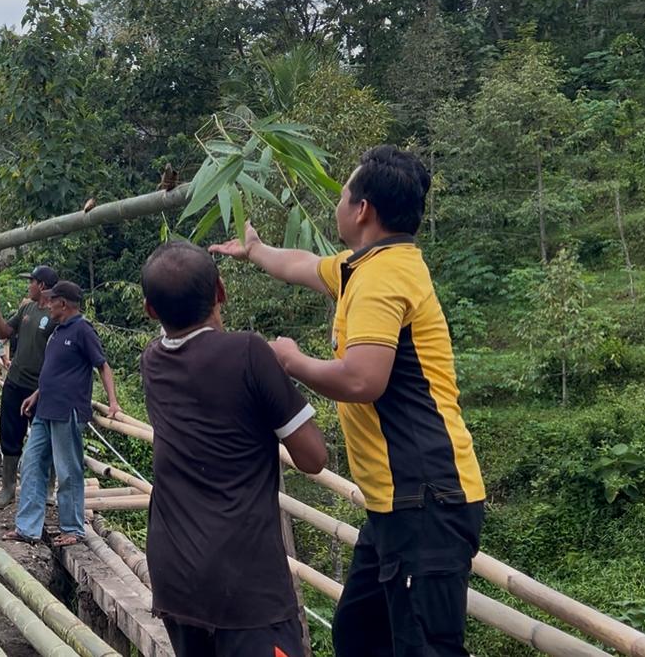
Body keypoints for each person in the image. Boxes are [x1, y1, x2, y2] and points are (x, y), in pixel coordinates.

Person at [211, 145, 486, 657]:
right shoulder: (371, 264)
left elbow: (363, 380)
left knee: (422, 647)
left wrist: (290, 361)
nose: (337, 205)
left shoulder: (383, 278)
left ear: (363, 210)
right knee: (359, 633)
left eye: (342, 195)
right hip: (395, 504)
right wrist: (255, 250)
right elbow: (303, 264)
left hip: (425, 498)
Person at [139, 240, 328, 657]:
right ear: (221, 292)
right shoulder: (248, 352)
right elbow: (313, 457)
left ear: (151, 310)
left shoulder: (151, 361)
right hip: (246, 585)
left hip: (175, 577)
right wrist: (288, 362)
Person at [5, 280, 122, 547]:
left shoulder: (82, 329)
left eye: (51, 300)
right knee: (31, 463)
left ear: (63, 303)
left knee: (68, 471)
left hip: (67, 410)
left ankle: (73, 528)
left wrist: (113, 403)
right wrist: (36, 394)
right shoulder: (57, 331)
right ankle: (27, 528)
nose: (46, 304)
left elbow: (102, 366)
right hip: (45, 409)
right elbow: (53, 371)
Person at [0, 264, 59, 510]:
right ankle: (8, 488)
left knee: (47, 437)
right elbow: (3, 331)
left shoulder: (56, 315)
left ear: (42, 286)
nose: (29, 286)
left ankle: (48, 488)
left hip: (41, 388)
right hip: (15, 382)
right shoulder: (26, 307)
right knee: (9, 435)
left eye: (31, 281)